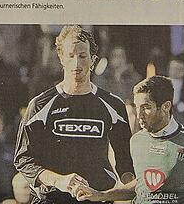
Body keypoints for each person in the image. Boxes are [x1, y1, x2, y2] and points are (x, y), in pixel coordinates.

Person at [14, 25, 134, 204]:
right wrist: (59, 180)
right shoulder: (40, 105)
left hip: (97, 198)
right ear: (61, 58)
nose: (77, 63)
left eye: (83, 56)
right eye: (71, 56)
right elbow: (24, 159)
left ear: (93, 60)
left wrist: (126, 190)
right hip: (52, 199)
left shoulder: (113, 105)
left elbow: (125, 161)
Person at [76, 75, 184, 204]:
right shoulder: (136, 141)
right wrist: (101, 195)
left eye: (146, 107)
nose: (139, 114)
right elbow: (141, 185)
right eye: (137, 107)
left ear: (166, 107)